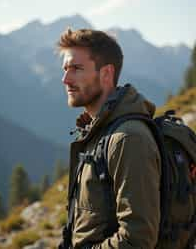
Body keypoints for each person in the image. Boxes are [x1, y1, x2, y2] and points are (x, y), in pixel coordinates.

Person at [58, 28, 161, 249]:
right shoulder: (98, 132)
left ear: (106, 74)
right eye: (65, 69)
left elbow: (137, 239)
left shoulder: (128, 139)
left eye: (76, 69)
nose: (65, 79)